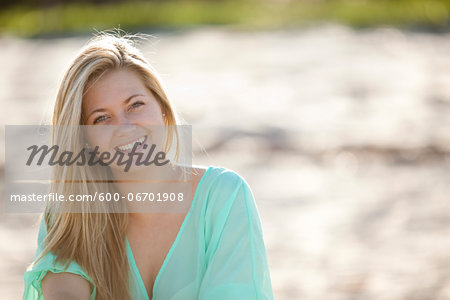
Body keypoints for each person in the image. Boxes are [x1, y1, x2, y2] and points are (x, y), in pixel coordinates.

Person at [23, 32, 274, 300]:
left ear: (162, 106)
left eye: (135, 105)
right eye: (101, 118)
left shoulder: (224, 196)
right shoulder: (73, 209)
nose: (125, 128)